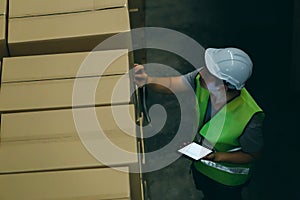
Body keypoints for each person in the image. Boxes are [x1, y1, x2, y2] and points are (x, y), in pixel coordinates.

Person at [134, 47, 265, 200]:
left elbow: (253, 155)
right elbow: (172, 84)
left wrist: (217, 157)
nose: (202, 72)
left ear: (225, 86)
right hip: (201, 166)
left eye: (210, 74)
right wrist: (148, 80)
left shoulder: (249, 118)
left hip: (228, 181)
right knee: (206, 192)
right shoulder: (201, 80)